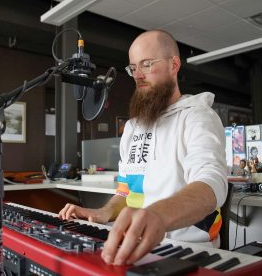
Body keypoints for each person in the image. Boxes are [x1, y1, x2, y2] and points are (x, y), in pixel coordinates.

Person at [59, 30, 228, 265]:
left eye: (147, 64)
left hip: (189, 252)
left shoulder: (198, 116)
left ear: (174, 65)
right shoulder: (133, 128)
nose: (138, 75)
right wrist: (104, 212)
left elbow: (211, 184)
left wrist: (157, 215)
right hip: (135, 245)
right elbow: (126, 191)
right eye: (132, 68)